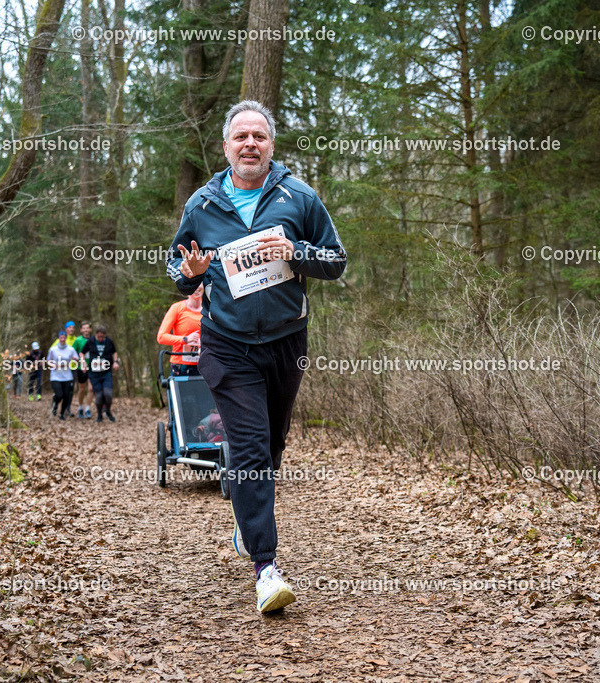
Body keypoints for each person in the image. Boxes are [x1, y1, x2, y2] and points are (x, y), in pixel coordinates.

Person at [167, 100, 346, 613]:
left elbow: (336, 261)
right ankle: (265, 568)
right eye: (240, 136)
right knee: (248, 451)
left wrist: (296, 252)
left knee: (270, 446)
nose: (250, 144)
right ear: (226, 147)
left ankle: (246, 521)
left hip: (287, 343)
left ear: (271, 146)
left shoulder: (299, 196)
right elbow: (177, 267)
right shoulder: (202, 204)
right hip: (227, 344)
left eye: (259, 137)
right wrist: (192, 272)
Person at [157, 285, 203, 376]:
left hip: (205, 364)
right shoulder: (177, 308)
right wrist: (185, 339)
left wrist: (205, 344)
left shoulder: (210, 308)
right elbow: (161, 337)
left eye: (199, 283)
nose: (196, 287)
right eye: (193, 284)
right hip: (180, 366)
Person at [80, 324, 120, 422]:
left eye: (103, 337)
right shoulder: (91, 341)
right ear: (96, 335)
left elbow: (114, 352)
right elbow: (82, 353)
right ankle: (99, 415)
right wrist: (83, 362)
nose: (101, 339)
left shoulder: (109, 341)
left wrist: (115, 362)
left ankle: (108, 411)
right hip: (94, 374)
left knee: (108, 394)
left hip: (106, 372)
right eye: (99, 337)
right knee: (99, 395)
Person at [47, 330, 79, 420]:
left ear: (66, 338)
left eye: (64, 338)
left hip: (67, 375)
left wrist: (76, 359)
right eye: (60, 338)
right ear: (58, 338)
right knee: (59, 394)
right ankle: (55, 404)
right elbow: (48, 360)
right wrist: (52, 365)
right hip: (55, 375)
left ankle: (61, 414)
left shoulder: (70, 349)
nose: (62, 339)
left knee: (66, 396)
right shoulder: (53, 349)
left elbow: (76, 358)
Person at [73, 321, 94, 418]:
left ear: (90, 329)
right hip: (81, 367)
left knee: (91, 389)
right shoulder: (78, 340)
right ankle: (80, 407)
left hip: (93, 367)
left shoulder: (94, 339)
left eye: (87, 328)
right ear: (81, 330)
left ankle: (88, 409)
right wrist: (80, 362)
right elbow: (73, 353)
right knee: (81, 388)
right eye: (84, 328)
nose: (86, 330)